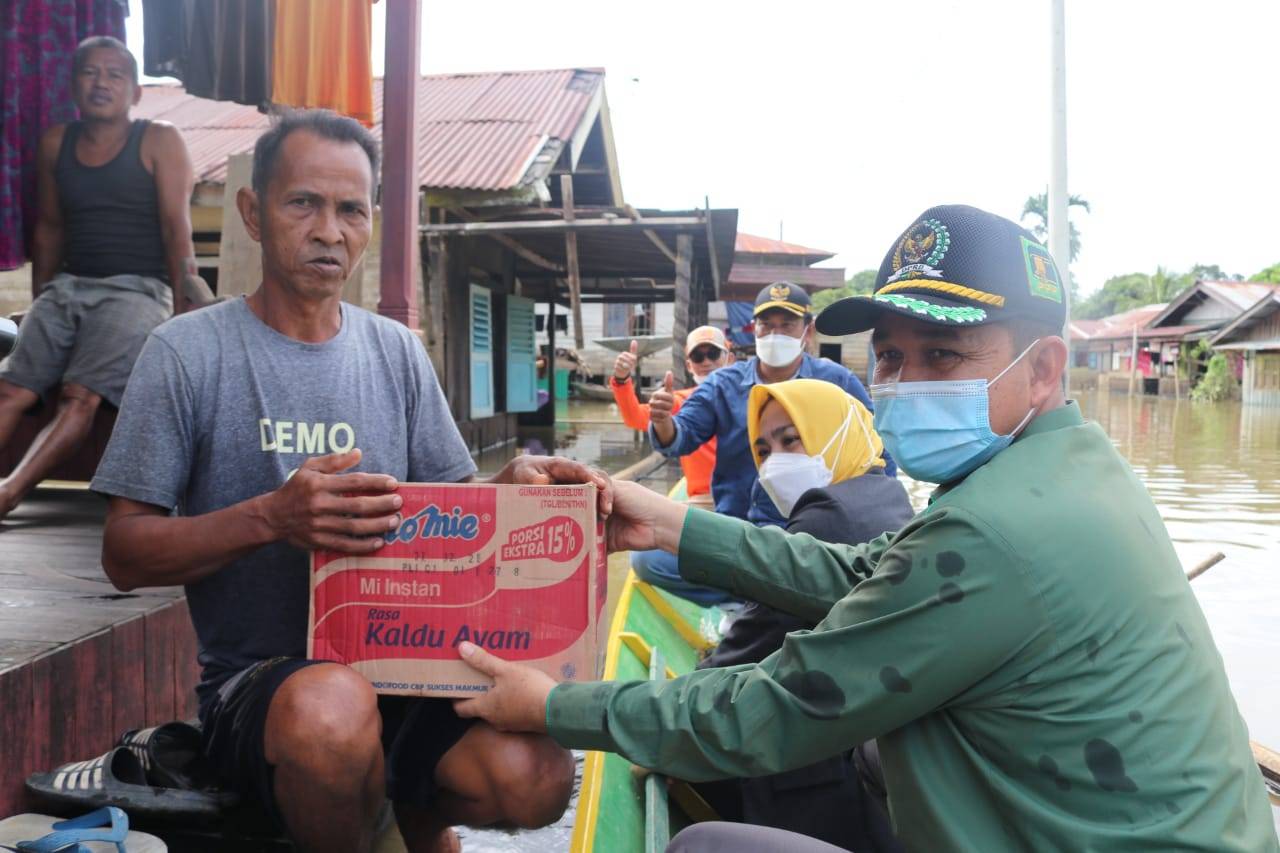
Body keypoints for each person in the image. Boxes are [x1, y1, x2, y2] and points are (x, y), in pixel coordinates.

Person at [451, 205, 1279, 852]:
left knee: (706, 842)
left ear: (1044, 369)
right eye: (889, 356)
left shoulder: (996, 530)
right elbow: (861, 574)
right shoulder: (1071, 468)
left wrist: (560, 704)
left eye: (944, 356)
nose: (906, 381)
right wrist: (668, 523)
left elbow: (766, 707)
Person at [91, 110, 606, 853]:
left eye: (350, 209)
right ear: (253, 213)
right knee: (333, 709)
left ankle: (412, 819)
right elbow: (123, 552)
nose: (329, 230)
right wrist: (272, 518)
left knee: (537, 774)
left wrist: (511, 487)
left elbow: (453, 513)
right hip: (265, 687)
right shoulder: (184, 353)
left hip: (408, 671)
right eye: (303, 203)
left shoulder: (395, 352)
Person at [694, 378, 912, 851]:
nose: (775, 462)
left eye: (790, 440)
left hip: (830, 789)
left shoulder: (825, 515)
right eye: (764, 449)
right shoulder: (885, 494)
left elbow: (744, 650)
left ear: (836, 431)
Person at [0, 37, 213, 520]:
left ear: (135, 92)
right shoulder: (57, 142)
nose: (102, 83)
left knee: (80, 396)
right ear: (74, 84)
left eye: (115, 75)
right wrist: (39, 301)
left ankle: (9, 493)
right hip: (67, 288)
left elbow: (175, 229)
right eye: (90, 72)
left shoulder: (159, 139)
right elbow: (50, 227)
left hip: (138, 289)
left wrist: (183, 313)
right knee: (12, 388)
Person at [649, 281, 890, 530]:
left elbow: (877, 447)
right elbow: (681, 438)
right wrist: (662, 421)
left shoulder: (837, 381)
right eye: (767, 325)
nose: (776, 334)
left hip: (819, 528)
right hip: (736, 526)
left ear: (807, 332)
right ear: (755, 330)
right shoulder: (722, 384)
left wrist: (878, 511)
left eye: (787, 325)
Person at [613, 326, 732, 605]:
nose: (706, 361)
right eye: (698, 356)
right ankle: (734, 601)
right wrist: (622, 380)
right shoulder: (681, 402)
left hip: (744, 500)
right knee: (644, 559)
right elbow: (635, 416)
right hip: (704, 502)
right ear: (689, 364)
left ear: (728, 356)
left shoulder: (749, 394)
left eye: (712, 353)